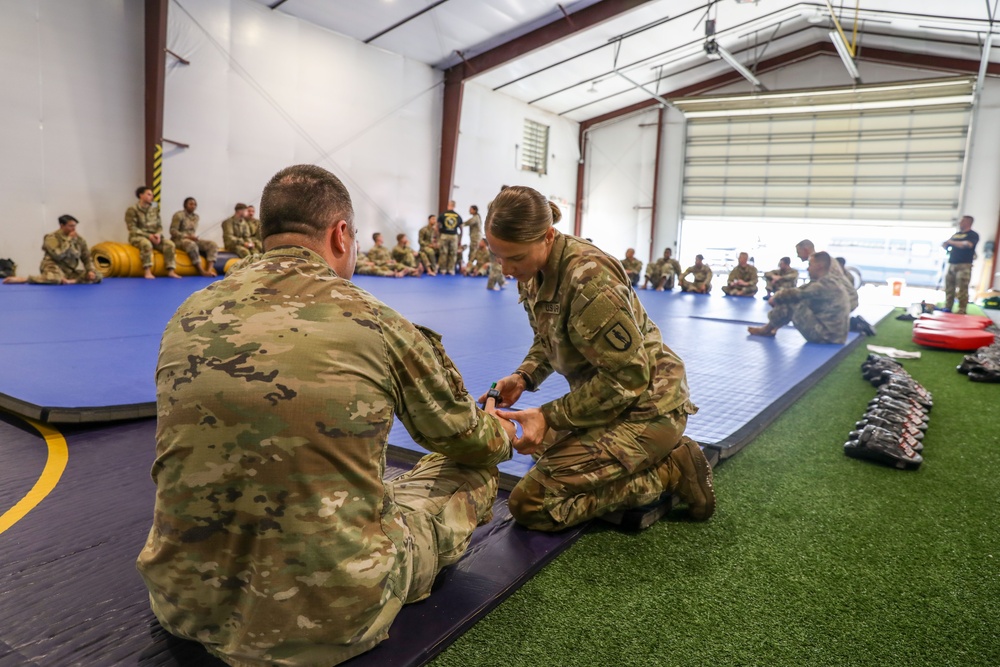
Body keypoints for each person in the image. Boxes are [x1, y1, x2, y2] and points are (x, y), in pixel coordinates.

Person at [136, 164, 515, 667]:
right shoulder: (375, 320)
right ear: (340, 235)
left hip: (183, 600)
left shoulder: (188, 313)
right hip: (332, 613)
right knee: (467, 470)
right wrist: (506, 430)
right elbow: (467, 439)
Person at [481, 185, 714, 532]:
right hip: (606, 405)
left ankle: (671, 470)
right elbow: (548, 338)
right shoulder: (533, 270)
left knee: (531, 503)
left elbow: (630, 378)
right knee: (530, 443)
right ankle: (640, 461)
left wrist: (549, 415)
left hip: (647, 409)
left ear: (547, 236)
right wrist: (524, 376)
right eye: (497, 255)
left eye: (514, 258)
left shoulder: (590, 281)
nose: (506, 268)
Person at [747, 251, 850, 343]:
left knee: (793, 302)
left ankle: (767, 329)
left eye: (810, 265)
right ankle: (771, 328)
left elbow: (796, 293)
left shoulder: (824, 285)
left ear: (819, 266)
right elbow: (804, 289)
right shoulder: (830, 281)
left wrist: (775, 297)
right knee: (798, 300)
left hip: (828, 337)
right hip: (836, 335)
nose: (808, 268)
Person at [3, 215, 102, 285]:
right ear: (62, 226)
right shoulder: (51, 238)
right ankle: (25, 279)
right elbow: (58, 255)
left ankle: (72, 281)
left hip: (69, 269)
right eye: (70, 226)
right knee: (55, 279)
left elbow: (86, 257)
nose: (73, 229)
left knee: (97, 276)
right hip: (53, 266)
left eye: (74, 226)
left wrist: (90, 271)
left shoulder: (79, 239)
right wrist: (68, 240)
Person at [125, 186, 180, 279]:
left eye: (152, 195)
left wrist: (158, 235)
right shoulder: (132, 210)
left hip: (155, 237)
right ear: (141, 195)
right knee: (146, 244)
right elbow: (132, 228)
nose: (152, 197)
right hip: (138, 236)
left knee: (170, 244)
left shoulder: (154, 210)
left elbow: (159, 226)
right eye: (149, 194)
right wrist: (149, 236)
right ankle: (147, 271)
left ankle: (171, 270)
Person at [795, 239, 857, 311]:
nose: (798, 255)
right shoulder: (821, 260)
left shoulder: (822, 262)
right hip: (842, 298)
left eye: (798, 252)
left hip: (846, 299)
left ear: (806, 250)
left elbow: (819, 286)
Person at [169, 197, 218, 277]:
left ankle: (209, 270)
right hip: (178, 240)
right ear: (185, 205)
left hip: (192, 239)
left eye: (195, 204)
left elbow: (192, 231)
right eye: (191, 204)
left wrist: (193, 237)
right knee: (191, 244)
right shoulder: (178, 215)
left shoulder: (196, 217)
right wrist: (187, 236)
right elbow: (173, 231)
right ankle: (201, 271)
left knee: (212, 244)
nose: (193, 206)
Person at [942, 215, 979, 314]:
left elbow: (967, 245)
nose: (960, 223)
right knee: (949, 287)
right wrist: (946, 244)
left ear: (968, 222)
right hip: (952, 263)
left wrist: (952, 242)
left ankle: (961, 309)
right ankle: (947, 307)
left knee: (962, 288)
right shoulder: (956, 235)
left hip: (964, 265)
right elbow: (948, 244)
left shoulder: (973, 235)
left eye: (962, 221)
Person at [437, 200, 463, 275]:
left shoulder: (443, 215)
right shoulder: (458, 216)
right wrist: (460, 238)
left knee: (443, 252)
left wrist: (439, 235)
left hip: (444, 235)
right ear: (454, 206)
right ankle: (451, 269)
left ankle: (443, 269)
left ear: (448, 205)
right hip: (454, 235)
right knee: (453, 253)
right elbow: (461, 229)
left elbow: (437, 226)